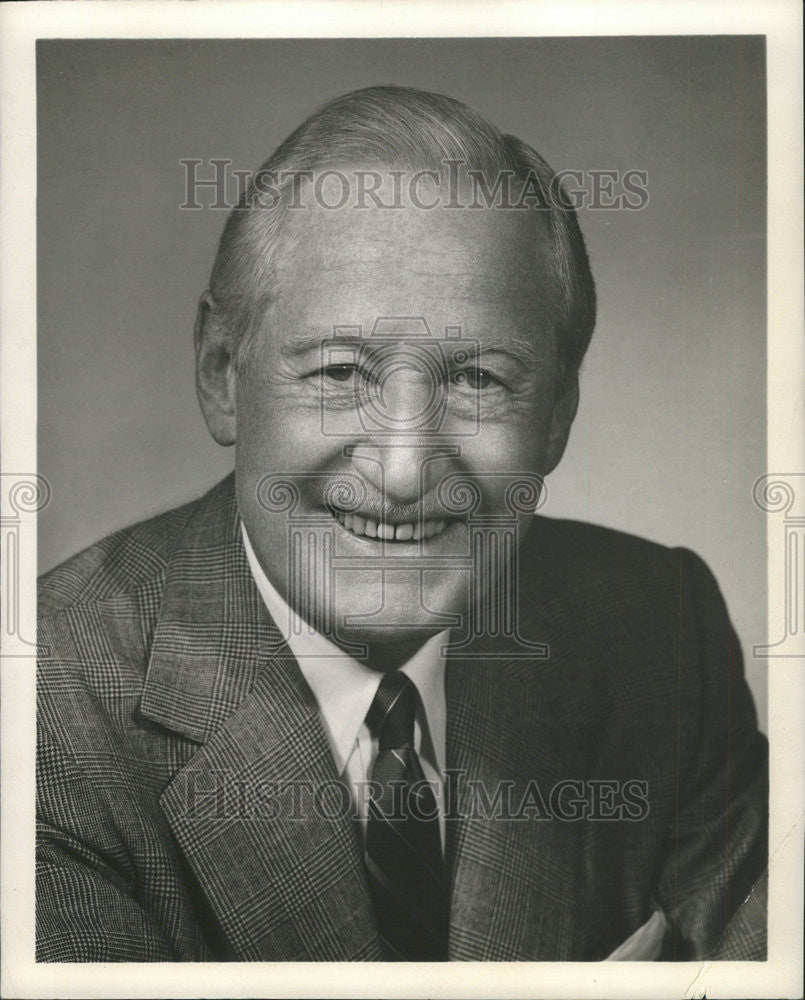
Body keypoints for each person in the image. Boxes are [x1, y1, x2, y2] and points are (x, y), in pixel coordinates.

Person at [36, 85, 767, 962]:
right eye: (341, 371)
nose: (404, 467)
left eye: (478, 381)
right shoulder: (44, 714)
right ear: (222, 372)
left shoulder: (652, 627)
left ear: (560, 412)